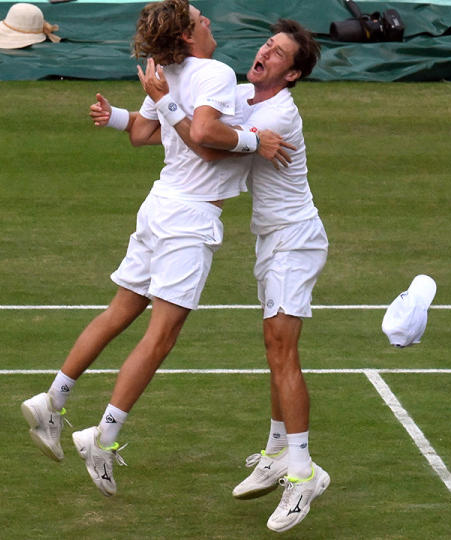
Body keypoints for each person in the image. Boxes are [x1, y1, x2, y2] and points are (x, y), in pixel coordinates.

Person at [20, 0, 290, 498]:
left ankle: (51, 401)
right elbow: (207, 137)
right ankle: (103, 440)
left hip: (159, 205)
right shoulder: (213, 72)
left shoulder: (167, 70)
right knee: (161, 336)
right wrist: (257, 143)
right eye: (199, 17)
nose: (207, 19)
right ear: (188, 36)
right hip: (187, 220)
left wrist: (117, 115)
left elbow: (144, 133)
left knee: (120, 310)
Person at [135, 19, 331, 533]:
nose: (265, 51)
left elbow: (205, 143)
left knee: (281, 351)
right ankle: (274, 452)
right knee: (275, 348)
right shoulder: (245, 94)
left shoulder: (280, 116)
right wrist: (128, 111)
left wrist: (169, 102)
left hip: (295, 240)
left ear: (292, 75)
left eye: (279, 52)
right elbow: (186, 122)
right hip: (274, 240)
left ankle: (303, 472)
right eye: (267, 43)